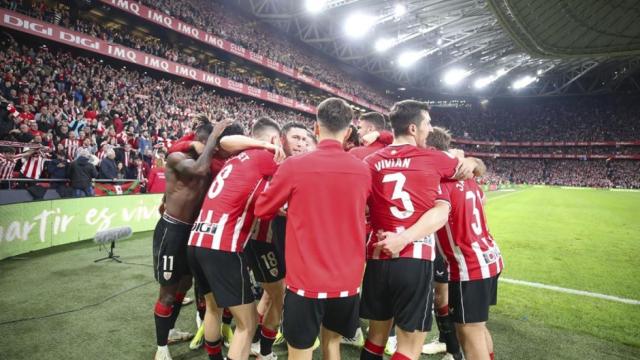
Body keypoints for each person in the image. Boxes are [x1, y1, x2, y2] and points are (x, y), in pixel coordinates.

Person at [359, 100, 480, 360]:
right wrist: (470, 160)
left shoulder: (370, 161)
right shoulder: (433, 158)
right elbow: (471, 169)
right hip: (413, 259)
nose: (430, 128)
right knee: (409, 346)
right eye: (427, 123)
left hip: (378, 256)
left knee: (375, 338)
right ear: (413, 128)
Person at [255, 98, 371, 360]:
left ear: (316, 129)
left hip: (305, 282)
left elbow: (261, 209)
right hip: (348, 282)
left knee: (301, 350)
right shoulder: (363, 170)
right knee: (332, 345)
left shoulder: (294, 166)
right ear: (349, 132)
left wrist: (288, 207)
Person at [188, 117, 282, 360]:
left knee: (213, 308)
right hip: (223, 246)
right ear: (274, 139)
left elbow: (226, 140)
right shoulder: (267, 157)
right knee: (247, 324)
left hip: (197, 240)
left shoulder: (237, 157)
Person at [222, 121, 311, 359]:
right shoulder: (269, 157)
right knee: (278, 295)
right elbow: (226, 142)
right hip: (261, 241)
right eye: (296, 138)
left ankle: (255, 342)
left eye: (304, 139)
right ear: (281, 139)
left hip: (276, 241)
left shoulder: (293, 165)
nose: (301, 143)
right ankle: (263, 349)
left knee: (271, 295)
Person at [153, 119, 231, 360]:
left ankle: (171, 329)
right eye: (213, 143)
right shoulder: (178, 157)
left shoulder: (210, 162)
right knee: (167, 290)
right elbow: (197, 170)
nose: (216, 148)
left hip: (192, 232)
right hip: (172, 230)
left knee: (183, 286)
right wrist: (211, 139)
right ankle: (161, 347)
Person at [427, 127, 502, 360]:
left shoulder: (440, 178)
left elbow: (439, 215)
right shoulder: (466, 175)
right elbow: (483, 199)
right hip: (490, 256)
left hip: (468, 265)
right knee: (478, 326)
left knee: (469, 331)